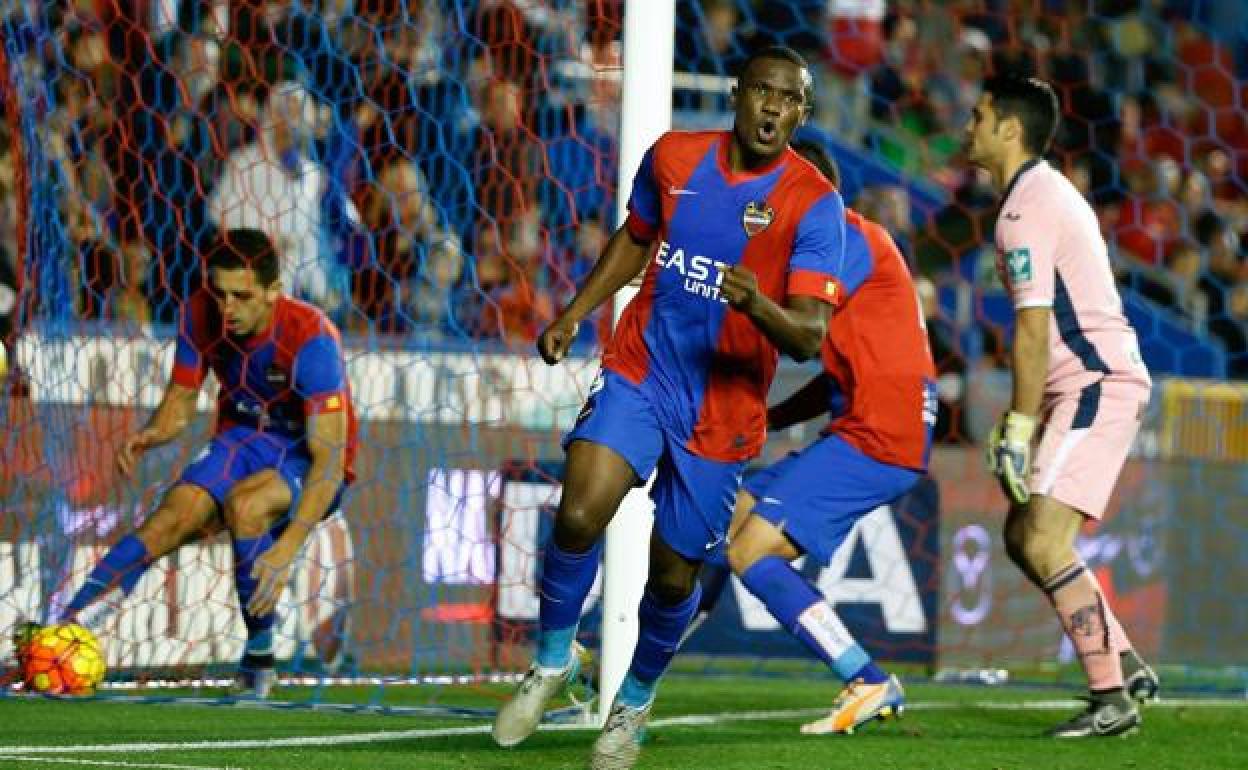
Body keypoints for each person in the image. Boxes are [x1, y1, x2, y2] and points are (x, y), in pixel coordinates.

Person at [491, 46, 846, 769]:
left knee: (674, 576)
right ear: (738, 94)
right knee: (580, 510)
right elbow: (635, 239)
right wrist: (574, 312)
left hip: (725, 410)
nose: (774, 108)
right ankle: (554, 662)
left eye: (790, 100)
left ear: (802, 113)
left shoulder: (815, 202)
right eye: (762, 92)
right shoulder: (675, 157)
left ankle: (633, 702)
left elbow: (809, 335)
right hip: (643, 369)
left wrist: (760, 305)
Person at [30, 228, 357, 698]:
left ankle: (258, 661)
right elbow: (182, 400)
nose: (228, 308)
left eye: (242, 297)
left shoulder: (312, 338)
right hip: (240, 439)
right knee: (171, 517)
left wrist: (288, 546)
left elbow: (329, 459)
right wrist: (153, 432)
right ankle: (63, 628)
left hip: (304, 451)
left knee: (247, 506)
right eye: (219, 294)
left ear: (272, 292)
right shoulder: (199, 313)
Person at [695, 137, 937, 735]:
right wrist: (772, 419)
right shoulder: (838, 251)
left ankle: (867, 677)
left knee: (750, 551)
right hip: (868, 424)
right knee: (729, 523)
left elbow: (800, 327)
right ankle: (633, 669)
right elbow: (828, 365)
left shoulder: (852, 239)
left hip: (881, 434)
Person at [965, 75, 1159, 738]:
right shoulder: (1038, 194)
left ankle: (1111, 700)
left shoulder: (1026, 208)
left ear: (1008, 129)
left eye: (978, 116)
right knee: (1023, 536)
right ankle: (1124, 663)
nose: (969, 127)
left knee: (1044, 538)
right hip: (1085, 385)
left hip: (1096, 384)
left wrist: (1021, 425)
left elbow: (1033, 330)